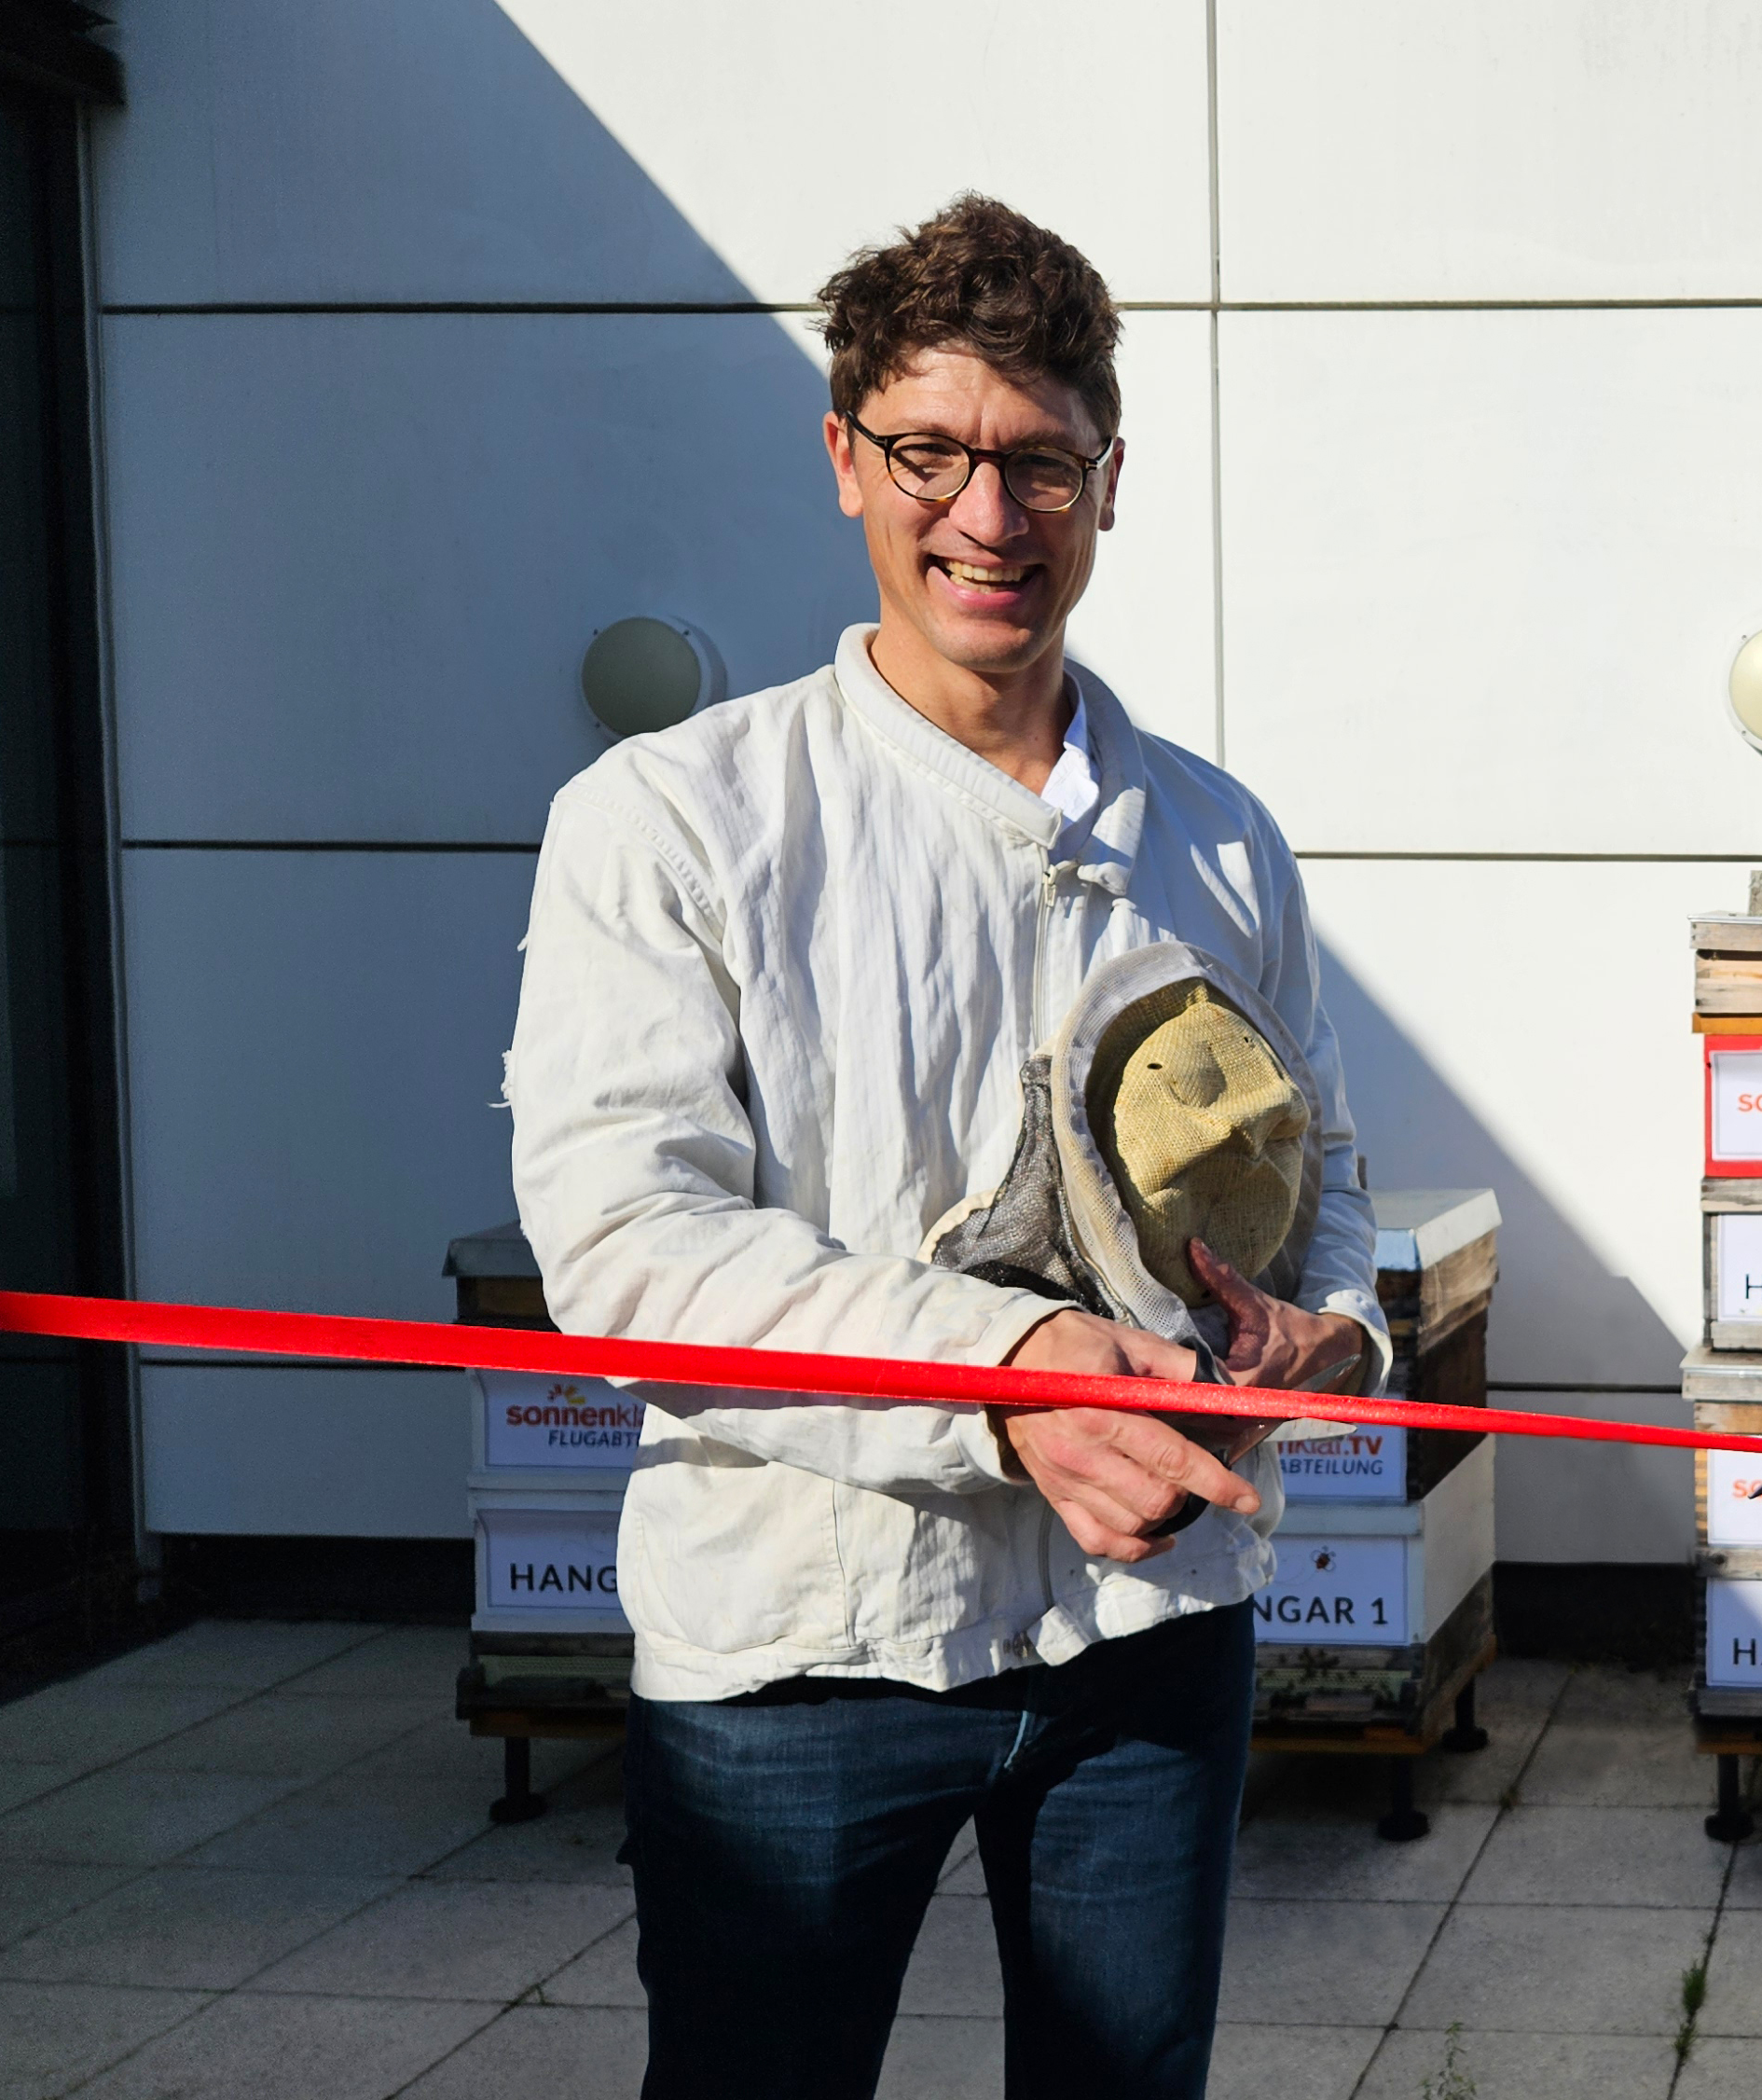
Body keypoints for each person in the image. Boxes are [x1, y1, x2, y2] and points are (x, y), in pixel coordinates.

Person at [505, 195, 1387, 2099]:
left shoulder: (1218, 838)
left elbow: (1320, 1162)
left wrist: (1330, 1326)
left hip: (1149, 1631)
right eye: (930, 454)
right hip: (806, 1642)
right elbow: (629, 1240)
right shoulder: (674, 817)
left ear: (1108, 479)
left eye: (1040, 462)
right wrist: (1010, 1368)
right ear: (845, 458)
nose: (988, 516)